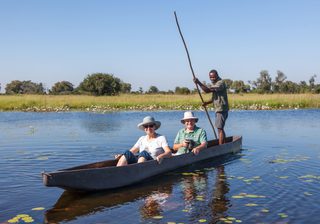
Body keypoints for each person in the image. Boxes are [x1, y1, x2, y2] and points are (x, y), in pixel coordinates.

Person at [194, 69, 229, 144]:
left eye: (213, 77)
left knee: (220, 128)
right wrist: (207, 103)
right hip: (218, 109)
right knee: (220, 128)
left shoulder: (220, 83)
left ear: (217, 75)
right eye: (210, 77)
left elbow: (207, 90)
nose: (212, 79)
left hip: (221, 109)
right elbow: (215, 98)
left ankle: (221, 147)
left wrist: (198, 82)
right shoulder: (215, 83)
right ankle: (224, 144)